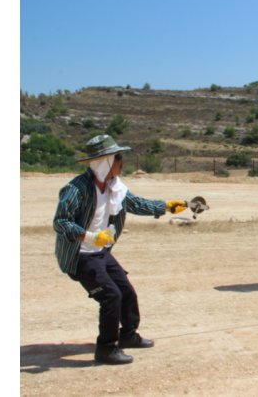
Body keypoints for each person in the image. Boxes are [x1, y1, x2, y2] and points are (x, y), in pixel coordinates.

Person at [53, 135, 189, 365]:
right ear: (104, 161)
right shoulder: (76, 189)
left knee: (126, 291)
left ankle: (128, 336)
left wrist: (165, 206)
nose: (122, 162)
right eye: (118, 158)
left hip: (101, 253)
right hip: (81, 256)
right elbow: (61, 222)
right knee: (111, 296)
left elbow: (136, 203)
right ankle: (106, 349)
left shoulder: (114, 187)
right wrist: (90, 236)